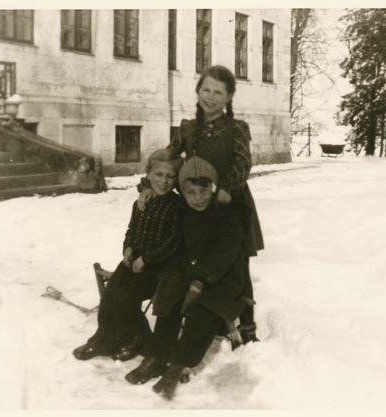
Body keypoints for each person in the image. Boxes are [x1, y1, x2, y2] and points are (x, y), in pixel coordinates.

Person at [138, 65, 263, 344]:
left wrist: (227, 188)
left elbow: (244, 162)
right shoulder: (188, 128)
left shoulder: (237, 128)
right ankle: (197, 313)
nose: (210, 97)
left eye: (218, 92)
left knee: (235, 264)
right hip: (196, 204)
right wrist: (148, 187)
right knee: (193, 261)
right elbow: (167, 160)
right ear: (197, 91)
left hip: (230, 203)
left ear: (229, 96)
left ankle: (247, 325)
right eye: (205, 89)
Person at [126, 157, 251, 400]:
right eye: (190, 191)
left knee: (201, 313)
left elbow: (224, 255)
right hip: (193, 273)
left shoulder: (228, 216)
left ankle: (178, 365)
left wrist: (201, 281)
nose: (198, 197)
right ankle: (157, 357)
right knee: (169, 298)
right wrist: (171, 277)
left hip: (222, 279)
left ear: (214, 187)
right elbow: (180, 250)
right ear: (182, 192)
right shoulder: (185, 214)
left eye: (204, 190)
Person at [73, 149, 182, 362]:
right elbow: (132, 230)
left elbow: (173, 243)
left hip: (158, 268)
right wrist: (129, 248)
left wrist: (146, 259)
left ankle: (135, 340)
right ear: (148, 174)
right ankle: (104, 341)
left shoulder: (177, 207)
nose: (163, 181)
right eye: (158, 174)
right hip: (135, 261)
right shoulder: (141, 202)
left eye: (170, 176)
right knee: (110, 295)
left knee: (125, 299)